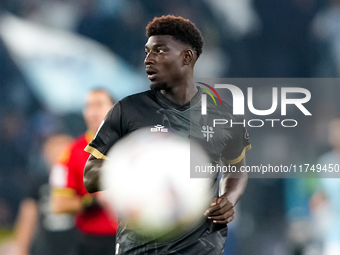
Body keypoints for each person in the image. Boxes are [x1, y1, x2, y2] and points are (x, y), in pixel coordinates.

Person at [84, 15, 251, 255]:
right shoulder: (126, 110)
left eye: (160, 51)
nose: (149, 59)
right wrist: (133, 166)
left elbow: (237, 169)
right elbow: (89, 177)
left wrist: (229, 199)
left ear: (186, 57)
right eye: (147, 52)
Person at [50, 89, 118, 255]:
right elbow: (59, 204)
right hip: (92, 242)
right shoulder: (71, 152)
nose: (93, 112)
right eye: (89, 106)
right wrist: (94, 202)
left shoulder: (132, 147)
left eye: (99, 105)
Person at [15, 134, 76, 255]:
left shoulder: (82, 181)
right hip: (45, 247)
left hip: (77, 246)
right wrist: (22, 248)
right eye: (53, 152)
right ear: (45, 155)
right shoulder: (39, 182)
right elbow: (28, 216)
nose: (58, 156)